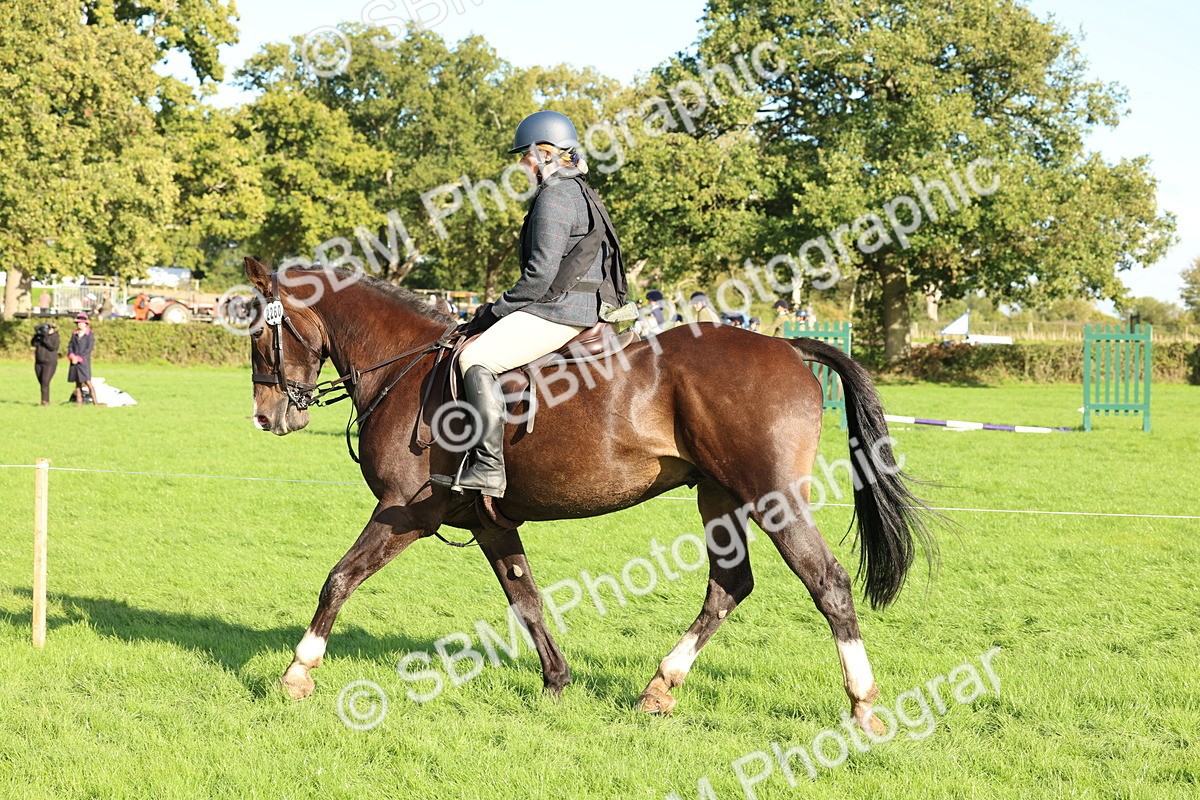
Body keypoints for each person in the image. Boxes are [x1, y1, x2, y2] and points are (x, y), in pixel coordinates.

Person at [430, 110, 629, 498]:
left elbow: (538, 277)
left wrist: (495, 309)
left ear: (546, 153)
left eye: (525, 156)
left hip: (562, 311)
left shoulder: (554, 197)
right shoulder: (580, 191)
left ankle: (488, 467)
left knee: (474, 359)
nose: (521, 165)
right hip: (579, 304)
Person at [67, 313, 100, 406]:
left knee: (88, 382)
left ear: (86, 324)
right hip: (74, 362)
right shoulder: (74, 334)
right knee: (77, 384)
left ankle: (95, 403)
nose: (79, 324)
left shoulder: (89, 335)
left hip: (84, 362)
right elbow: (70, 346)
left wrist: (79, 358)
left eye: (81, 323)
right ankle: (79, 403)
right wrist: (72, 356)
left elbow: (88, 349)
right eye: (78, 323)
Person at [31, 322, 60, 406]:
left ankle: (45, 401)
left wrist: (45, 337)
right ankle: (44, 400)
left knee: (45, 381)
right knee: (41, 382)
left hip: (50, 363)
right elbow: (33, 343)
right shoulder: (40, 337)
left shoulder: (55, 337)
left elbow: (52, 347)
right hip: (39, 362)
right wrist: (36, 335)